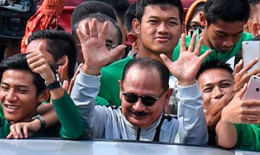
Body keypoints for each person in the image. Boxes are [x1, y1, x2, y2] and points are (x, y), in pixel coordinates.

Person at [71, 20, 208, 143]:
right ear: (120, 90)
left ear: (166, 97)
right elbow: (76, 120)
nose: (138, 107)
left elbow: (195, 140)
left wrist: (187, 84)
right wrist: (90, 69)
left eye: (148, 100)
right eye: (130, 97)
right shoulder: (106, 119)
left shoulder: (175, 129)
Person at [96, 0, 184, 106]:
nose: (163, 29)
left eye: (171, 23)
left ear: (182, 29)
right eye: (154, 22)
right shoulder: (107, 77)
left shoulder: (188, 77)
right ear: (137, 26)